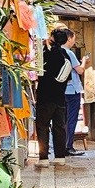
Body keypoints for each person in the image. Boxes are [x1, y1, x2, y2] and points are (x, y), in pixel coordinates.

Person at [34, 27, 71, 168]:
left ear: (52, 38)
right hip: (60, 98)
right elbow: (67, 78)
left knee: (43, 126)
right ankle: (60, 156)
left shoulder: (45, 54)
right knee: (59, 127)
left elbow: (38, 71)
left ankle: (43, 158)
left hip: (45, 96)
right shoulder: (66, 56)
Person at [61, 28, 88, 157]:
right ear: (69, 38)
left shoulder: (56, 52)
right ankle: (68, 146)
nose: (74, 41)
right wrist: (83, 61)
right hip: (72, 90)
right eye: (73, 38)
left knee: (62, 119)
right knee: (71, 119)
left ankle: (61, 146)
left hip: (61, 90)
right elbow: (80, 71)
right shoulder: (69, 53)